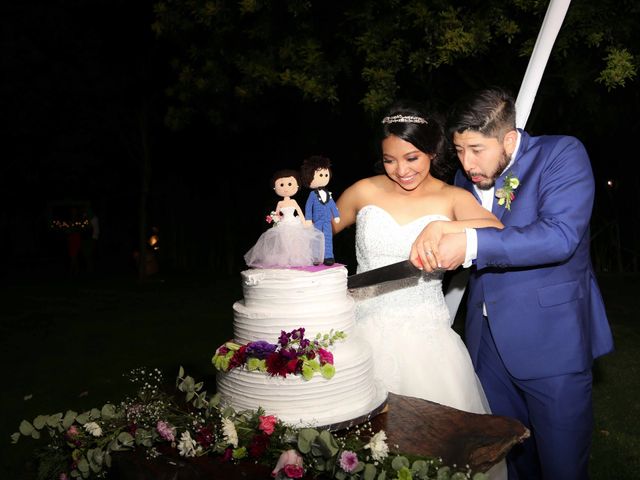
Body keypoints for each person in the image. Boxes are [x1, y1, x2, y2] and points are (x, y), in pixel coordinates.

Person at [410, 87, 614, 480]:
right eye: (459, 150)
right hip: (486, 346)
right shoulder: (464, 176)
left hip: (554, 341)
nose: (466, 164)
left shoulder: (561, 154)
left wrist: (468, 241)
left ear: (507, 137)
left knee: (561, 465)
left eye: (475, 149)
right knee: (504, 462)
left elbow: (559, 236)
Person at [334, 103, 505, 415]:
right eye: (389, 160)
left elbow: (496, 229)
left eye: (412, 158)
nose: (402, 170)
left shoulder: (452, 197)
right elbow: (316, 231)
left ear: (433, 152)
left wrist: (444, 227)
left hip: (426, 339)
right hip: (361, 331)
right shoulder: (363, 191)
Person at [244, 169, 324, 268]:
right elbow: (277, 214)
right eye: (282, 185)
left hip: (294, 222)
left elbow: (299, 211)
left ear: (297, 185)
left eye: (289, 184)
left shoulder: (293, 201)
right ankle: (287, 258)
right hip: (284, 223)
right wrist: (275, 218)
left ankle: (296, 258)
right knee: (284, 241)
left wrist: (304, 222)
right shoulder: (280, 203)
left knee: (296, 241)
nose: (286, 188)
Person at [300, 156, 341, 265]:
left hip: (327, 221)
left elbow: (332, 205)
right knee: (316, 239)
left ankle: (328, 256)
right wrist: (308, 218)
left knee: (328, 238)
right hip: (317, 221)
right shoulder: (312, 194)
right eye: (320, 175)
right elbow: (308, 206)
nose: (323, 177)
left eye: (325, 175)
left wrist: (336, 215)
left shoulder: (328, 194)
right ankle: (316, 257)